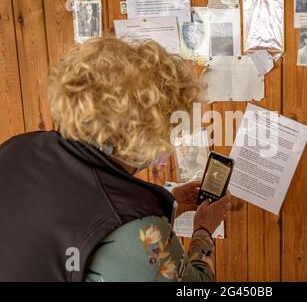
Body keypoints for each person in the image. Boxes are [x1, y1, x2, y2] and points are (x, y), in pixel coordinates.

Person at [0, 38, 232, 282]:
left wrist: (171, 203)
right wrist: (203, 231)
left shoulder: (18, 147)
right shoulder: (140, 233)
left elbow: (73, 213)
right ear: (145, 133)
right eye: (170, 130)